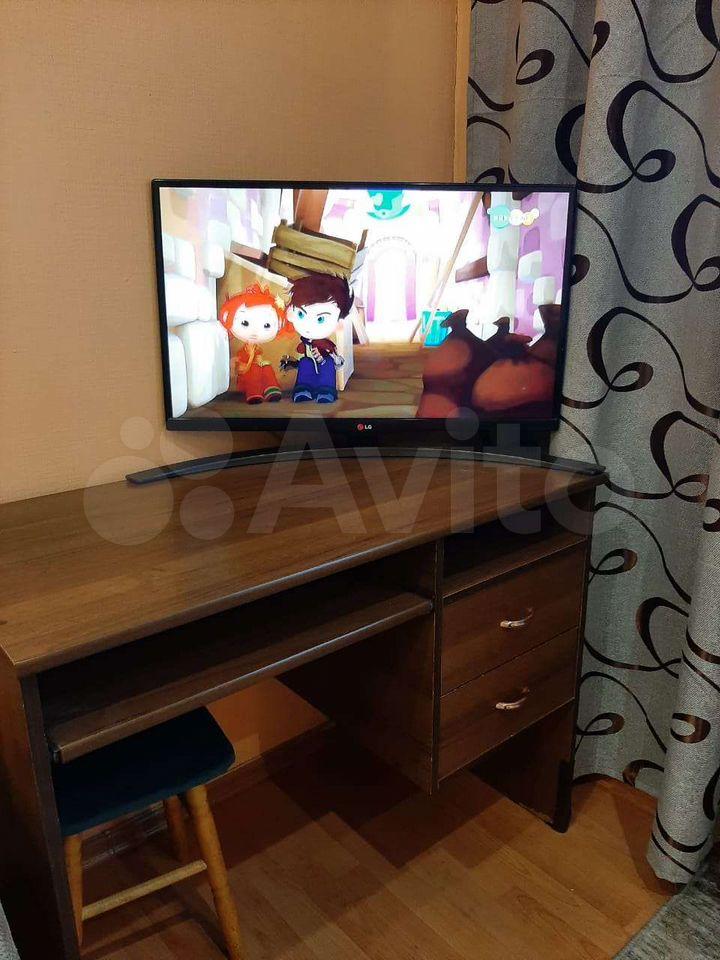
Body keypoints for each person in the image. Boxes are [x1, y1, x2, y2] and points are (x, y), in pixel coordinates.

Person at [283, 274, 353, 403]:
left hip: (325, 363)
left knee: (328, 365)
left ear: (339, 321)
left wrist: (328, 359)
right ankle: (303, 388)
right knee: (305, 363)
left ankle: (326, 390)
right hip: (309, 364)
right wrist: (291, 363)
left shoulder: (326, 344)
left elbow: (336, 359)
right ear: (290, 313)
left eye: (320, 319)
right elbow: (300, 352)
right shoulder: (304, 342)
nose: (308, 326)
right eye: (301, 314)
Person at [219, 284, 290, 403]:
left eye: (266, 325)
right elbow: (242, 370)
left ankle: (271, 389)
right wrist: (251, 356)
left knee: (266, 366)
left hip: (259, 377)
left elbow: (259, 360)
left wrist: (259, 360)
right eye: (245, 323)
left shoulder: (257, 349)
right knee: (255, 368)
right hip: (247, 380)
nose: (255, 332)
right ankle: (253, 393)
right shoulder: (242, 352)